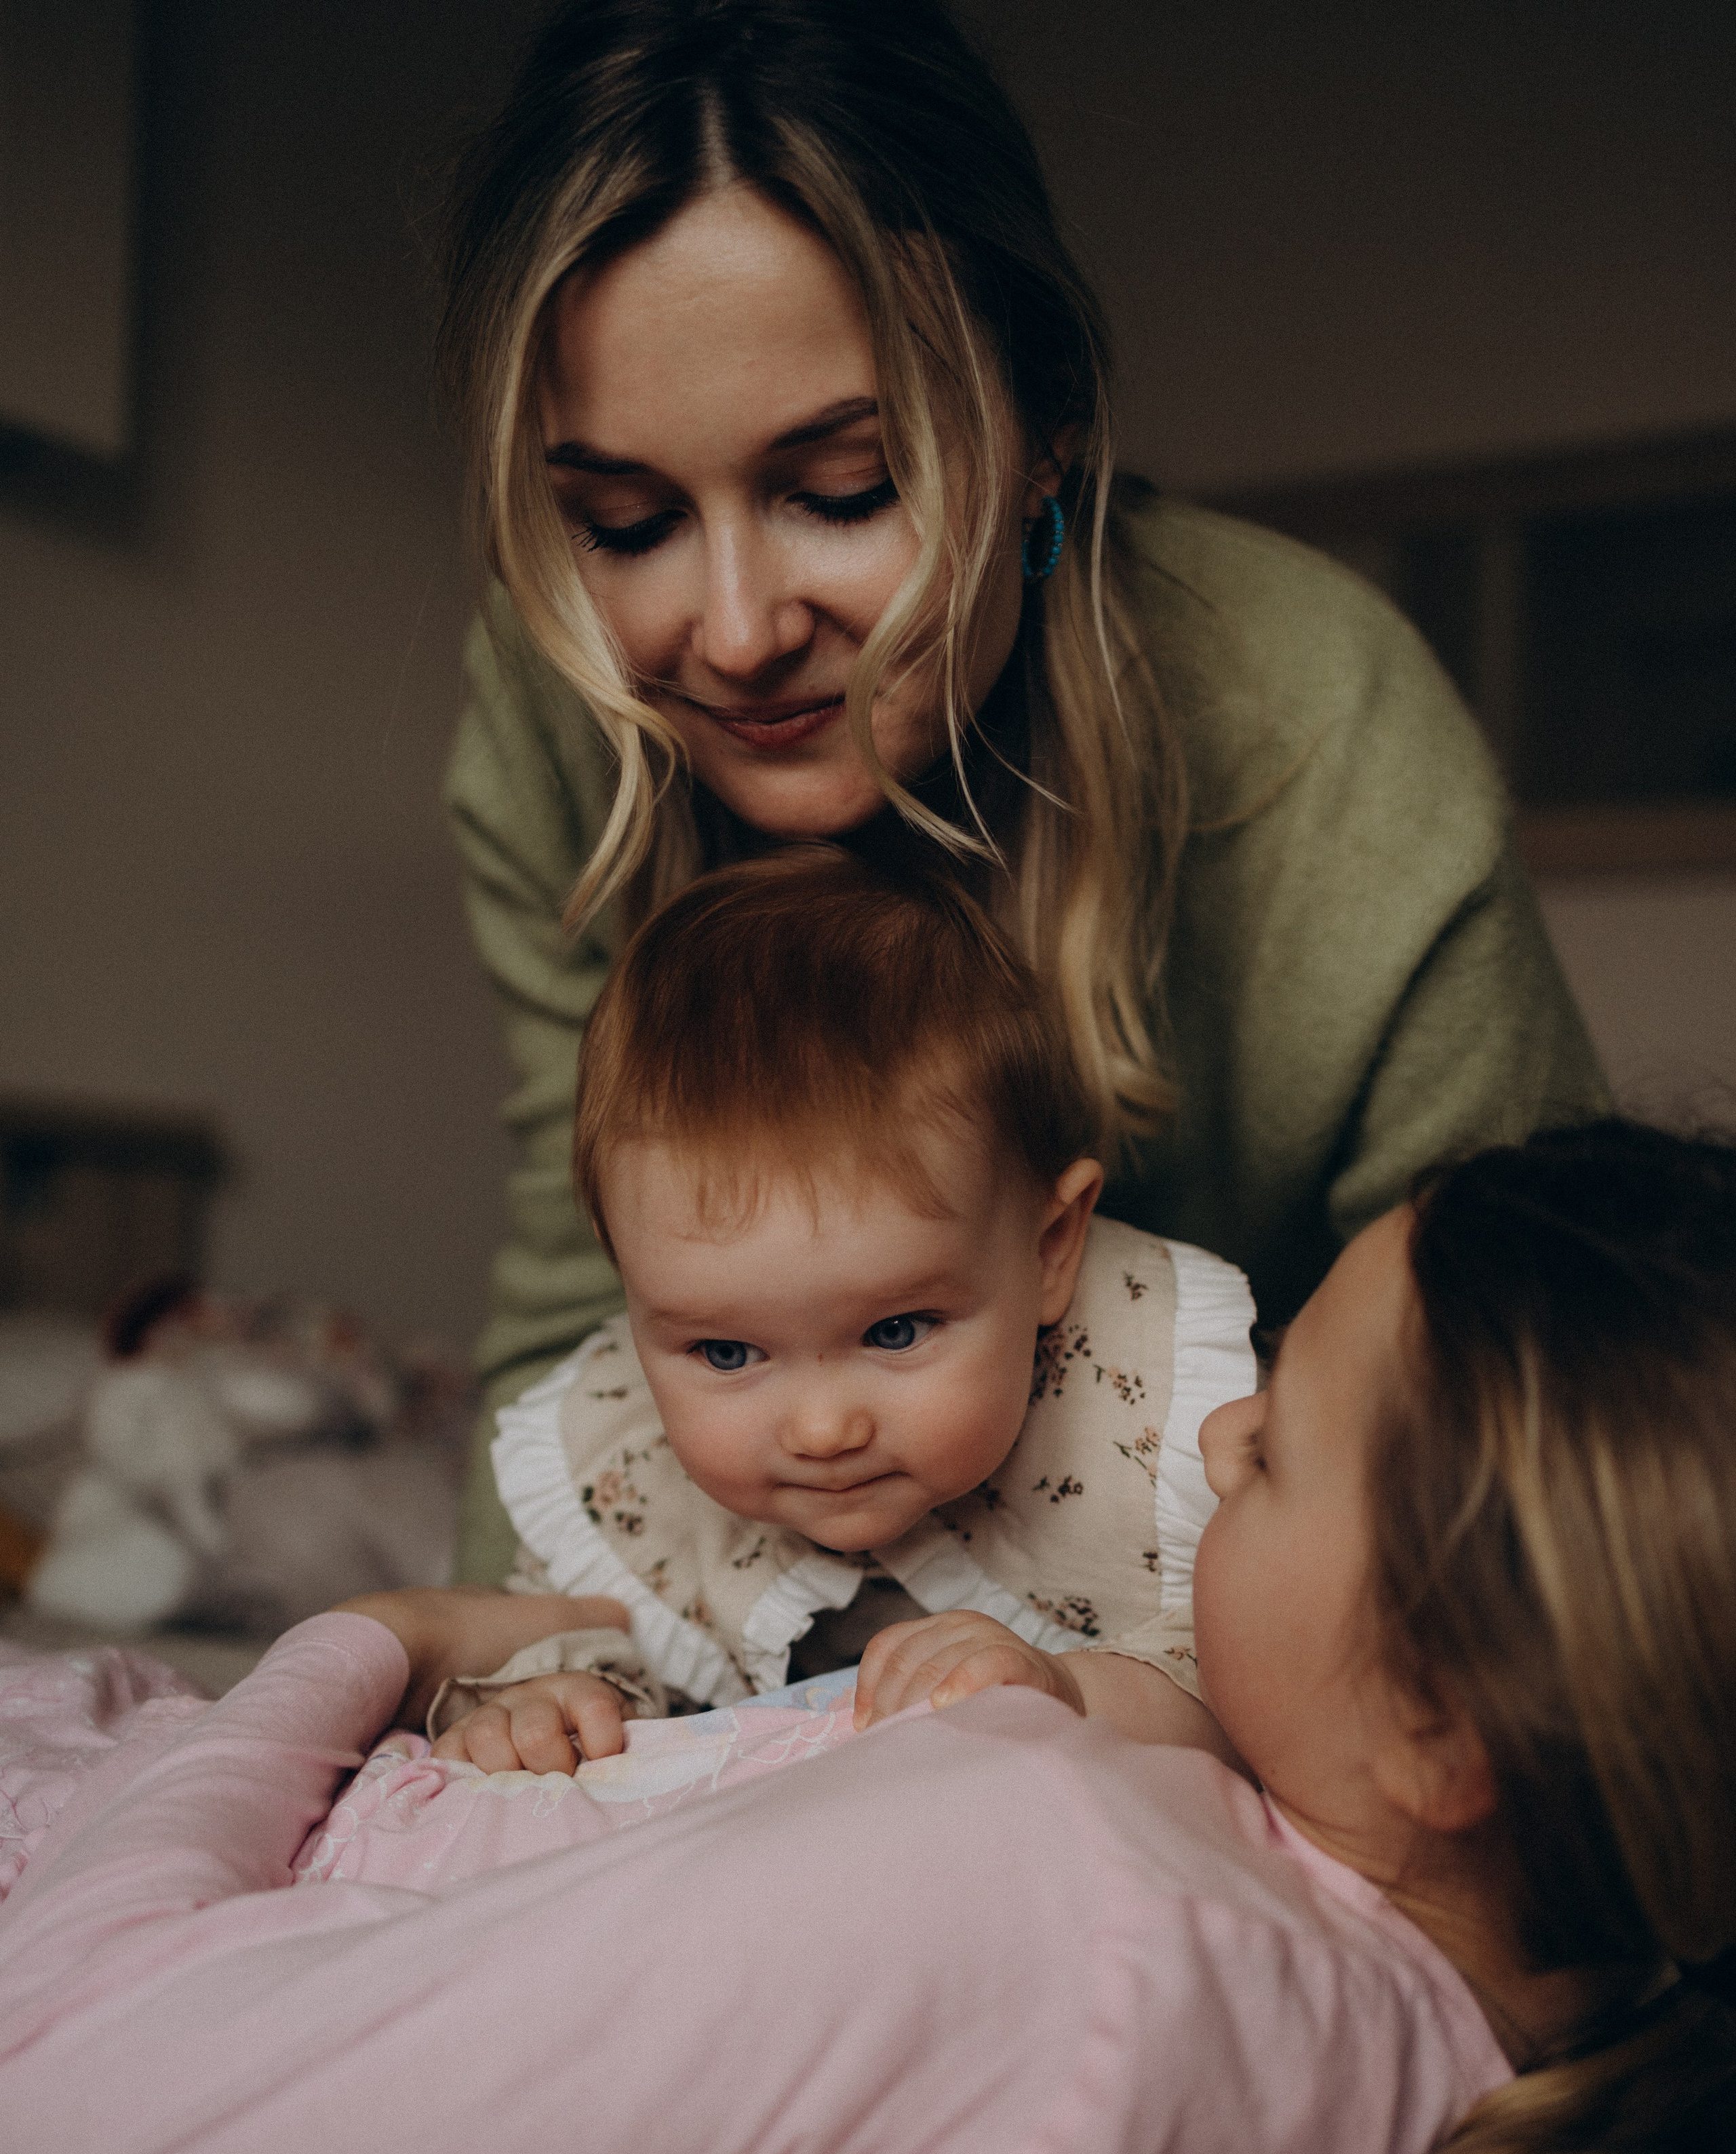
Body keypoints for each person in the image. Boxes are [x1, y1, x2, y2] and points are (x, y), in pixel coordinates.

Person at [2, 1122, 1731, 2154]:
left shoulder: (1045, 1898)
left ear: (1442, 1733)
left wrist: (353, 1646)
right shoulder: (1485, 2031)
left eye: (1274, 1453)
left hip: (108, 1840)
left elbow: (59, 2085)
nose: (1210, 1442)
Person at [435, 0, 1606, 1582]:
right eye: (626, 523)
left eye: (845, 491)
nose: (731, 633)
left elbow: (1545, 1415)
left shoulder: (1319, 724)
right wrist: (495, 1695)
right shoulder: (555, 703)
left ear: (1045, 426)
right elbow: (572, 1323)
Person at [431, 849, 1257, 1774]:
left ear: (1050, 1248)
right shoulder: (622, 1462)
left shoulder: (1171, 1430)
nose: (822, 1430)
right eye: (728, 1353)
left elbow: (1281, 1694)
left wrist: (1073, 1690)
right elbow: (577, 1640)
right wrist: (547, 1703)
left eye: (895, 1331)